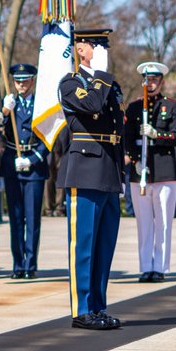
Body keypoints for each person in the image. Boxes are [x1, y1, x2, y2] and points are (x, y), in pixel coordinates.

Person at [58, 28, 124, 330]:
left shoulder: (109, 82)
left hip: (109, 168)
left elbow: (117, 127)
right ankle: (81, 308)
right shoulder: (71, 83)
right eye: (96, 44)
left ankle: (98, 306)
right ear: (80, 49)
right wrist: (100, 74)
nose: (101, 49)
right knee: (83, 245)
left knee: (104, 246)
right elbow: (92, 105)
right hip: (84, 168)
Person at [123, 61, 176, 282]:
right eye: (147, 79)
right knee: (144, 222)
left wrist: (156, 134)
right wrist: (136, 160)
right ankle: (145, 266)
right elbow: (126, 138)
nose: (150, 83)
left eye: (154, 79)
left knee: (164, 222)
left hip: (164, 172)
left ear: (162, 81)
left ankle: (159, 267)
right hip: (140, 173)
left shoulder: (172, 106)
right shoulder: (133, 107)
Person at [0, 63, 47, 279]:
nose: (21, 85)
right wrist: (4, 111)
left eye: (25, 81)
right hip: (12, 163)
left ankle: (31, 264)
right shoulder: (9, 105)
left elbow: (49, 137)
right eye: (18, 81)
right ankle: (18, 265)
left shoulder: (41, 104)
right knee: (16, 218)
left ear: (32, 81)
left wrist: (33, 159)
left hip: (33, 167)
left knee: (32, 218)